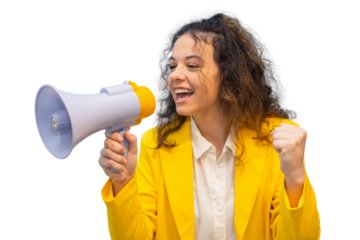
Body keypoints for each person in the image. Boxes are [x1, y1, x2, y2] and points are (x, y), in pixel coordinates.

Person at [98, 7, 321, 240]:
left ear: (228, 73)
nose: (174, 75)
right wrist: (122, 182)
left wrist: (295, 176)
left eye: (192, 65)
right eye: (173, 66)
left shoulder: (275, 141)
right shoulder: (153, 145)